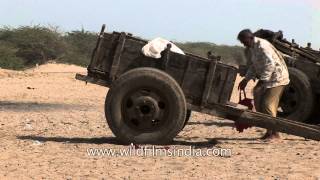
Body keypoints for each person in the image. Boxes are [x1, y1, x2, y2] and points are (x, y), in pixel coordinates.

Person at [237, 29, 290, 140]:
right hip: (268, 79)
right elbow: (254, 65)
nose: (243, 44)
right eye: (242, 42)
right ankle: (269, 131)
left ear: (250, 38)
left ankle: (275, 133)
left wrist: (262, 82)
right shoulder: (253, 47)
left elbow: (270, 65)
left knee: (267, 104)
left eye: (244, 41)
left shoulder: (263, 46)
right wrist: (245, 80)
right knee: (258, 102)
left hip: (277, 78)